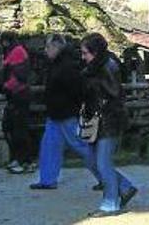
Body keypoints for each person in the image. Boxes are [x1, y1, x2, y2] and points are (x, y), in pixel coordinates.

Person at [30, 34, 101, 190]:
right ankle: (47, 180)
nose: (46, 51)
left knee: (83, 147)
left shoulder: (67, 66)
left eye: (48, 47)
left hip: (67, 114)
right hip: (56, 114)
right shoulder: (58, 64)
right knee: (49, 146)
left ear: (56, 47)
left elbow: (77, 90)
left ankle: (106, 176)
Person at [80, 33, 137, 217]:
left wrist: (93, 82)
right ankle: (125, 187)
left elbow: (114, 92)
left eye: (85, 53)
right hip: (98, 119)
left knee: (102, 163)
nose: (83, 57)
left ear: (95, 52)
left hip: (109, 120)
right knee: (92, 161)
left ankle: (110, 203)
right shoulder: (96, 67)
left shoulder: (107, 67)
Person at [1, 32, 34, 174]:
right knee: (12, 127)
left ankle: (22, 160)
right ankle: (21, 160)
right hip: (17, 96)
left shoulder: (16, 53)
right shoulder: (16, 51)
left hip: (18, 96)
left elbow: (19, 75)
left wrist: (7, 86)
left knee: (18, 129)